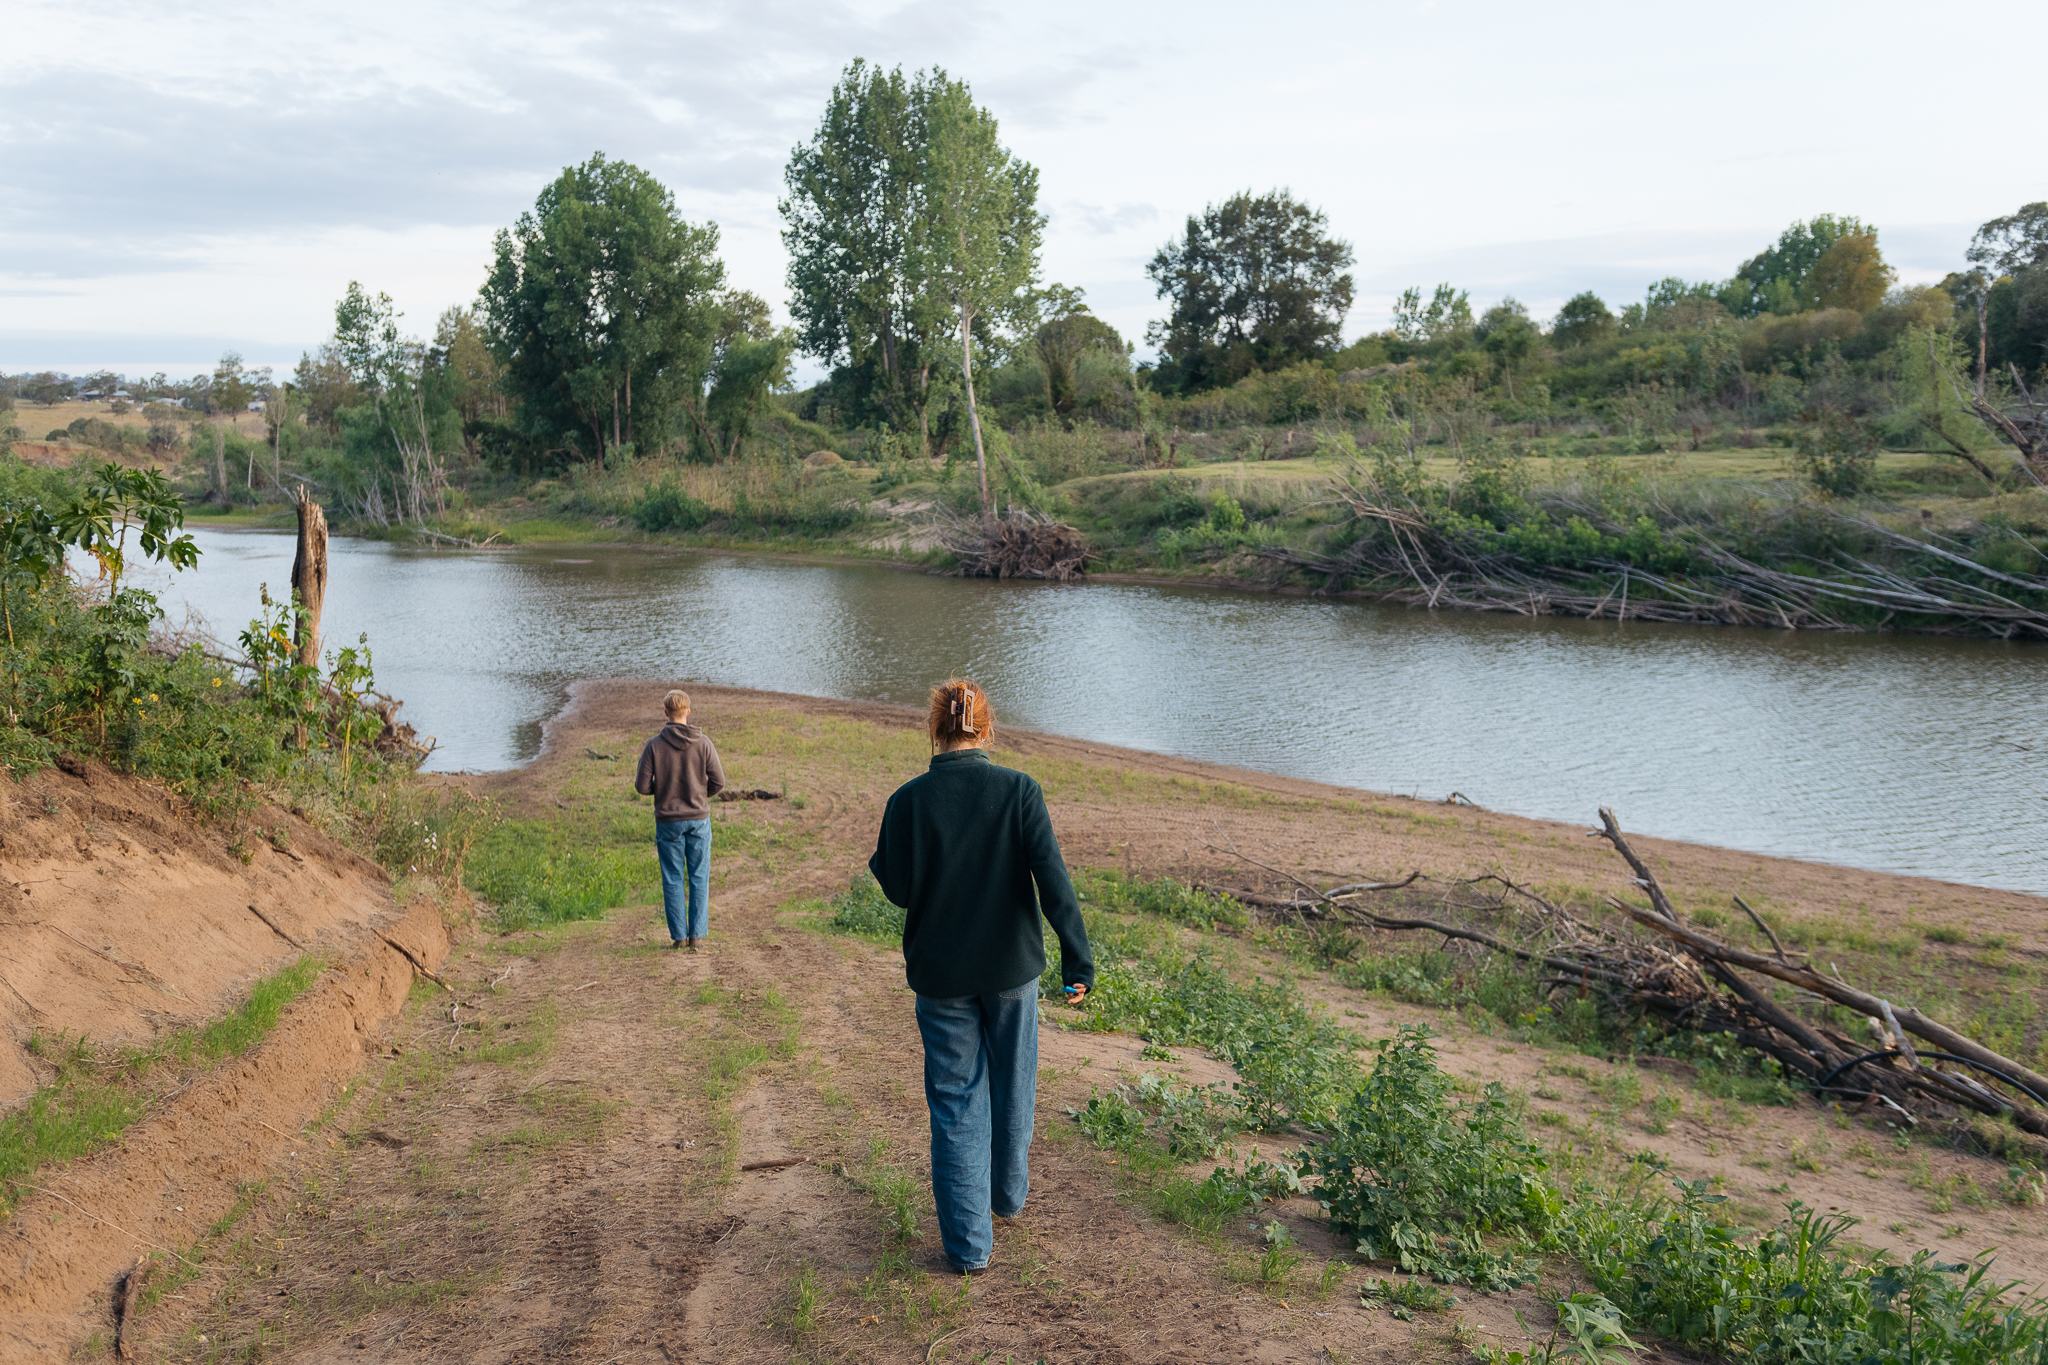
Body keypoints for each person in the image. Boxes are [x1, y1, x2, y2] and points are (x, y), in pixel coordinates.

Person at [868, 679, 1094, 1275]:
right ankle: (1007, 1197)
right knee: (1014, 1082)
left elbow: (895, 888)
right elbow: (1053, 878)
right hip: (1011, 970)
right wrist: (1078, 960)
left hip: (942, 977)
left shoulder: (908, 801)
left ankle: (969, 1250)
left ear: (933, 728)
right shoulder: (1019, 790)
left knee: (955, 1104)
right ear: (985, 729)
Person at [634, 689, 726, 950]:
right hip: (698, 819)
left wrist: (662, 791)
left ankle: (679, 937)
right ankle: (696, 936)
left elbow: (641, 787)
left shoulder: (654, 746)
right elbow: (719, 782)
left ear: (666, 713)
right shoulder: (704, 743)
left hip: (668, 821)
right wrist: (700, 795)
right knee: (699, 876)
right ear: (688, 711)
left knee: (672, 877)